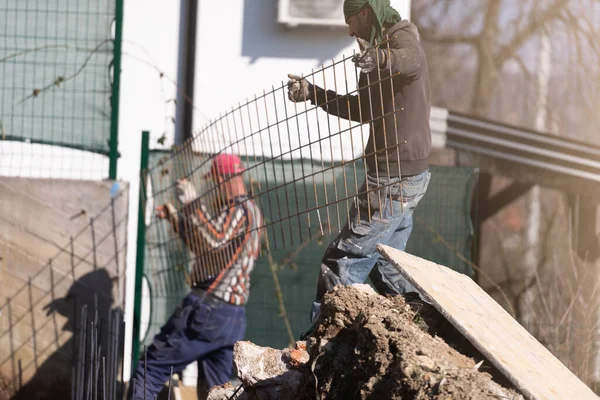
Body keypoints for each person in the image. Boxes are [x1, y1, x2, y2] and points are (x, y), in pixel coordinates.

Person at [286, 0, 432, 326]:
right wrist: (314, 93)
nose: (350, 30)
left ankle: (320, 346)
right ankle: (426, 325)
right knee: (385, 263)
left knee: (344, 260)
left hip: (394, 177)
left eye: (351, 21)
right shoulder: (378, 49)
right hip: (408, 174)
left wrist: (379, 58)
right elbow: (363, 110)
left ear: (366, 12)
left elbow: (412, 62)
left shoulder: (401, 39)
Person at [128, 154, 263, 400]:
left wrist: (191, 203)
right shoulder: (252, 212)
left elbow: (214, 240)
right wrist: (176, 219)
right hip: (232, 317)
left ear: (223, 179)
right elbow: (208, 250)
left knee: (151, 368)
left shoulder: (238, 210)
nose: (212, 188)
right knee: (216, 391)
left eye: (213, 182)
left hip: (208, 310)